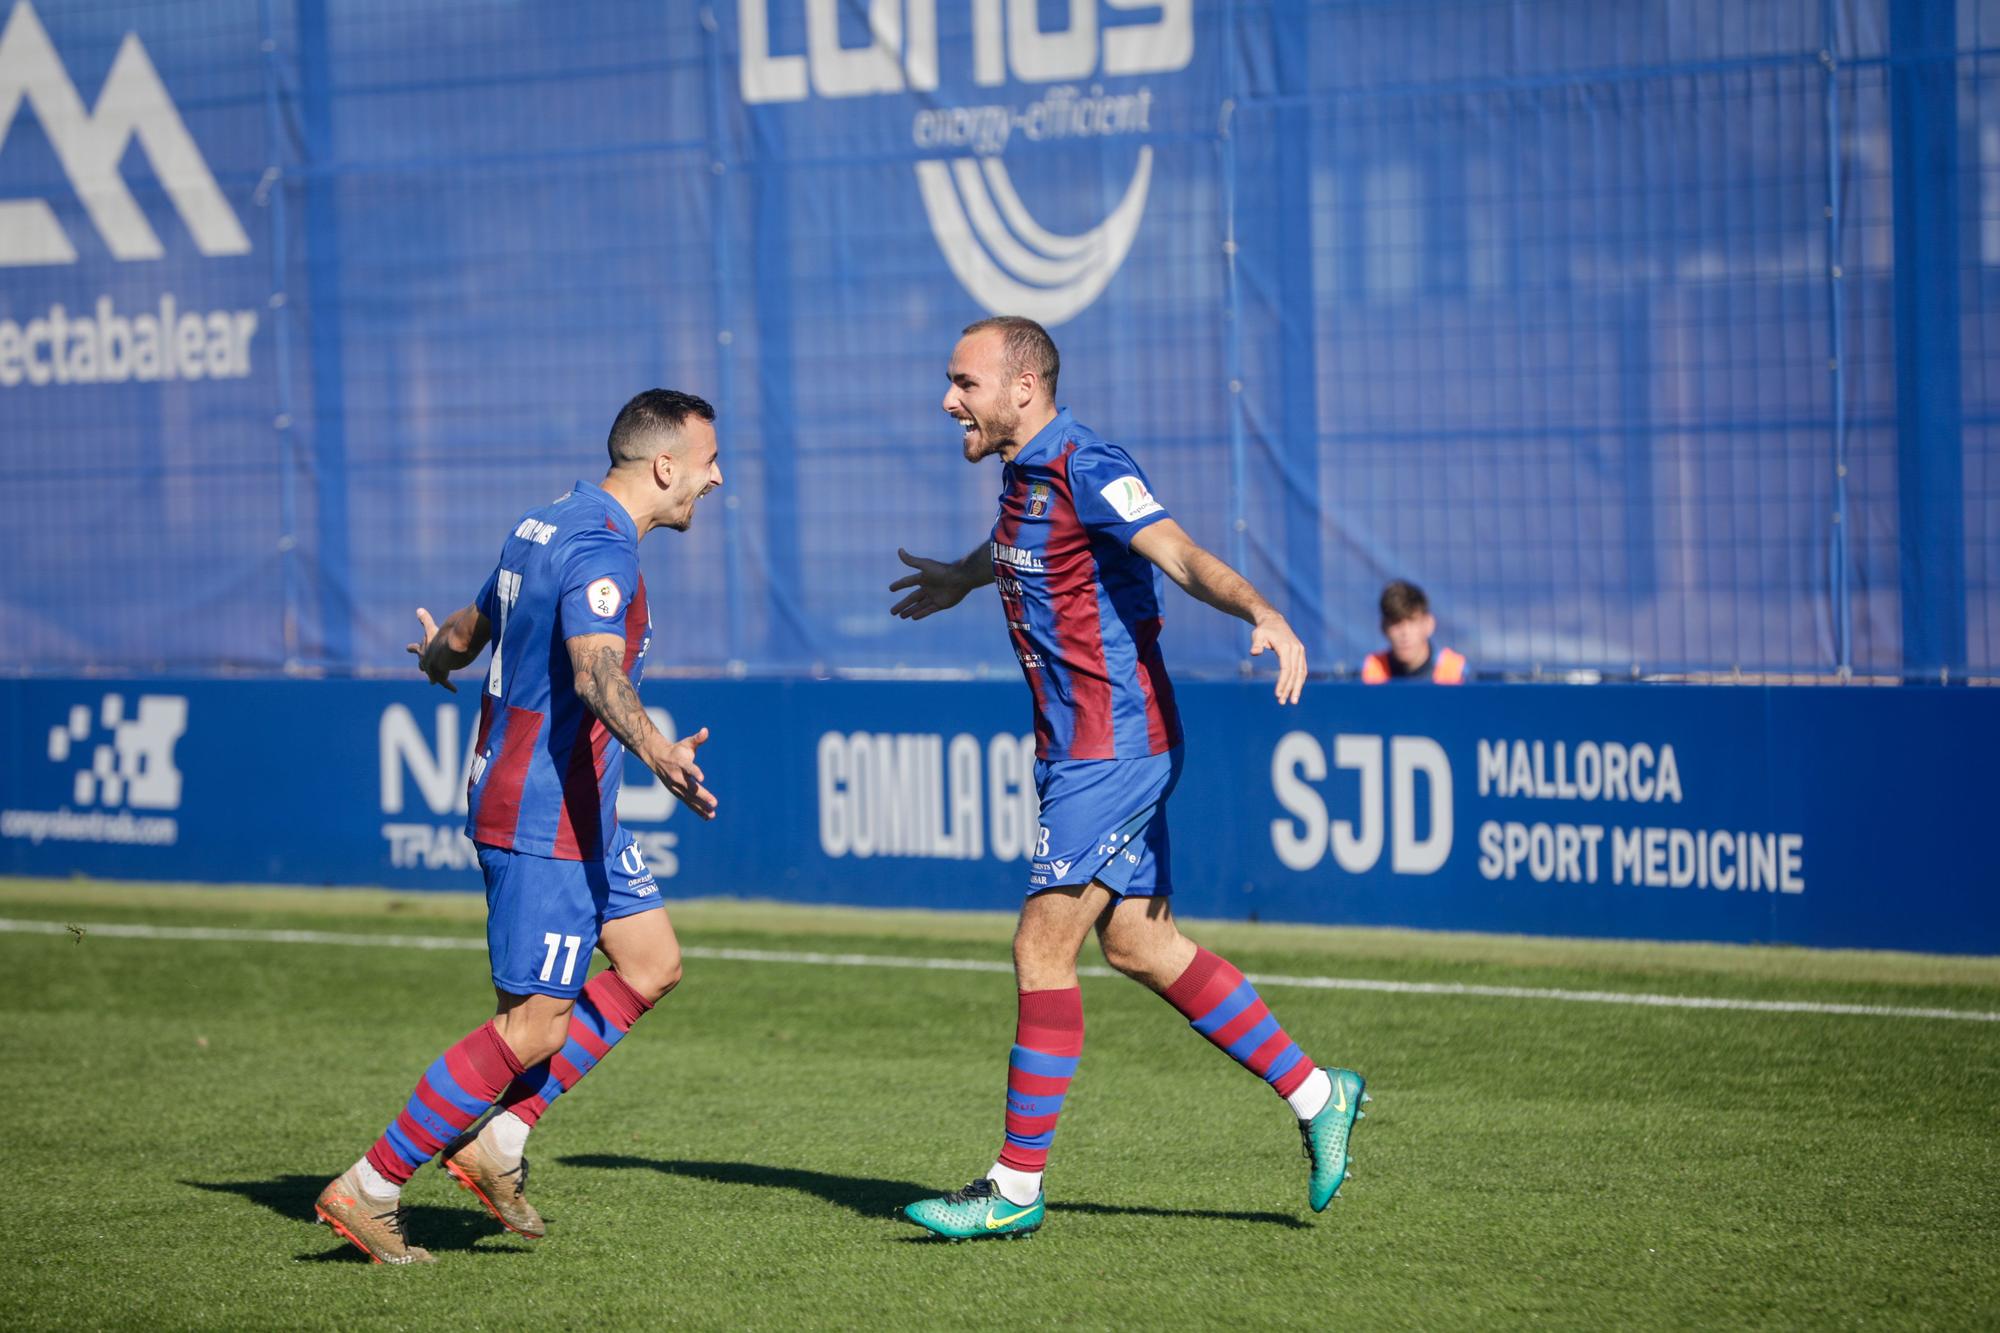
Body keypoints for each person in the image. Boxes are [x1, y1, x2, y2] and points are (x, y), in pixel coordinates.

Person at [887, 316, 1367, 1240]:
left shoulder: (1089, 462)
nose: (950, 400)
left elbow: (1180, 553)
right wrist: (960, 574)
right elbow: (1030, 550)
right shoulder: (1023, 475)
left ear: (1023, 388)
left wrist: (1264, 611)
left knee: (1040, 946)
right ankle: (1319, 1092)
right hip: (1079, 747)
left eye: (964, 383)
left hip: (1116, 746)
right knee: (1143, 946)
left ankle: (1014, 1190)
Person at [314, 389, 724, 1264]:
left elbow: (473, 625)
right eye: (708, 460)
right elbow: (595, 673)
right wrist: (658, 752)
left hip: (579, 803)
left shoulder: (544, 522)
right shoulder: (601, 546)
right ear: (664, 466)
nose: (716, 476)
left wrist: (437, 655)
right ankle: (372, 1183)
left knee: (652, 962)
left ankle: (495, 1143)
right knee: (533, 1026)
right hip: (541, 810)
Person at [1361, 579, 1466, 683]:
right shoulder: (1370, 673)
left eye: (1412, 622)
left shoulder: (1457, 672)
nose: (1405, 633)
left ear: (1429, 624)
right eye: (1396, 623)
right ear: (1383, 628)